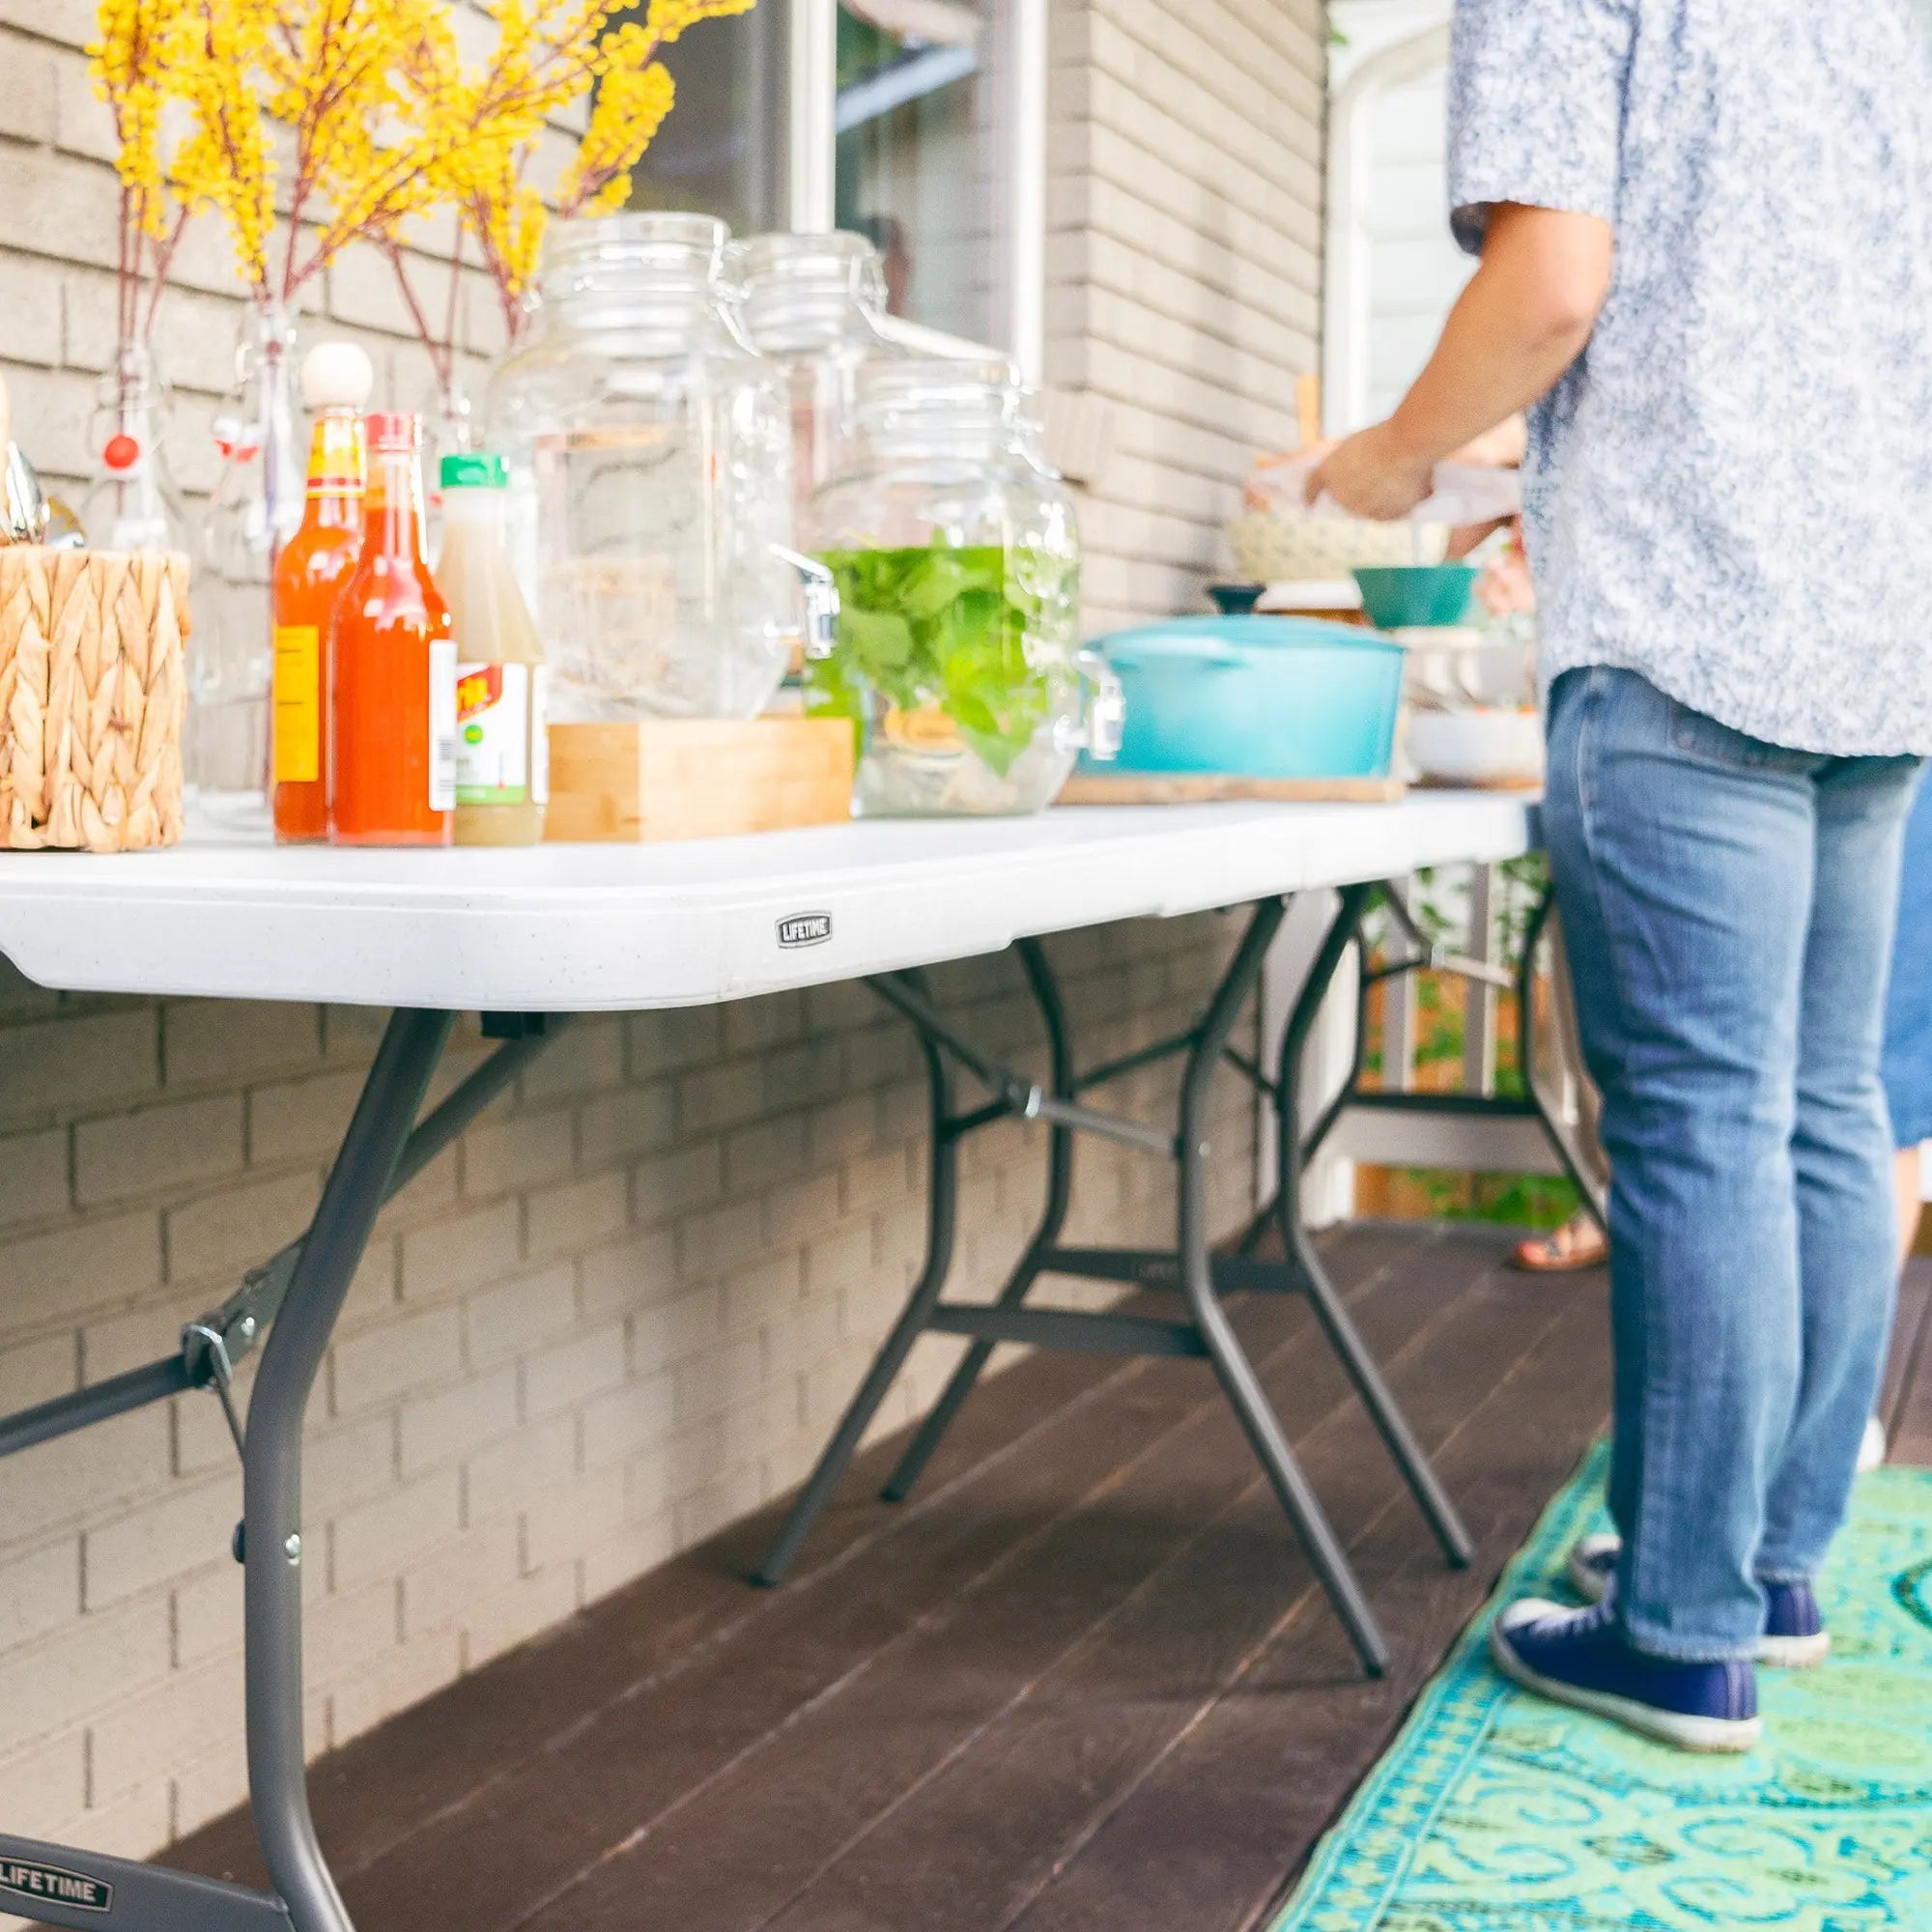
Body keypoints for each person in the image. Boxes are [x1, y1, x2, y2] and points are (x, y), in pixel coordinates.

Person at [1310, 0, 1932, 1753]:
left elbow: (1553, 287)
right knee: (1819, 1106)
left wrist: (1391, 455)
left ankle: (1679, 1628)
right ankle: (1765, 1569)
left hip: (1690, 618)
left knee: (1705, 1126)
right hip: (1882, 633)